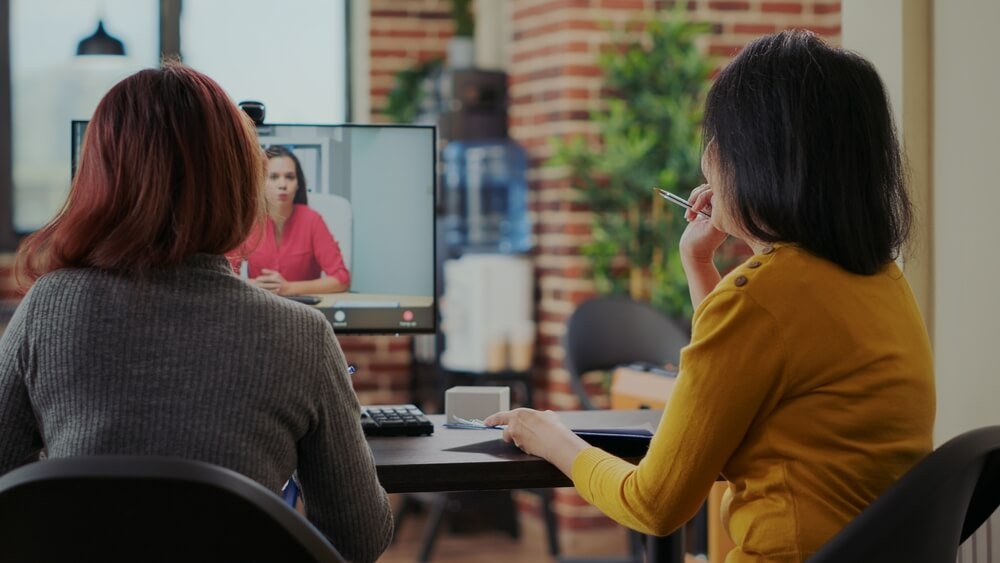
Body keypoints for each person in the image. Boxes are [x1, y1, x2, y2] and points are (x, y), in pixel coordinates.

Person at [484, 30, 935, 562]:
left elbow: (653, 504)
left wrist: (550, 437)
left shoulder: (763, 296)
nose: (709, 160)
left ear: (762, 158)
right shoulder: (881, 277)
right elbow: (743, 383)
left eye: (720, 141)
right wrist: (700, 265)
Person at [0, 63, 391, 563]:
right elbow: (358, 540)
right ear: (239, 180)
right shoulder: (303, 336)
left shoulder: (47, 309)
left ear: (98, 176)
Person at [235, 145, 350, 296]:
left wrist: (289, 288)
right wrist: (253, 285)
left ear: (298, 184)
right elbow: (224, 274)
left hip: (304, 310)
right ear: (260, 182)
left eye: (289, 177)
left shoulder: (312, 220)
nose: (283, 185)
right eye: (274, 177)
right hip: (260, 307)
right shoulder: (248, 221)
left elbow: (341, 279)